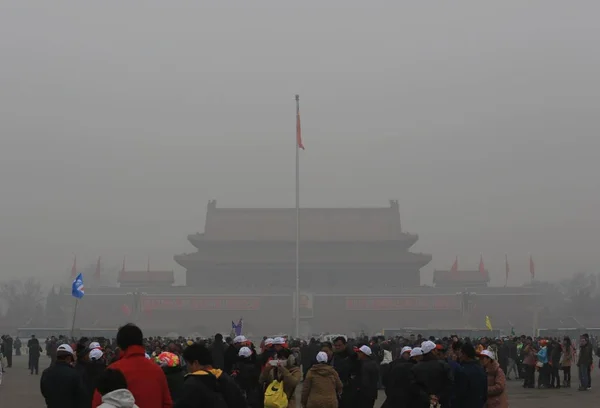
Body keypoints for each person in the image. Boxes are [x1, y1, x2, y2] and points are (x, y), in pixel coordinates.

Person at [92, 324, 172, 408]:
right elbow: (167, 403)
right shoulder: (157, 370)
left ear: (119, 345)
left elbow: (98, 403)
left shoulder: (112, 371)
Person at [176, 342, 247, 408]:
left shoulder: (191, 384)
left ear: (195, 363)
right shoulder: (226, 378)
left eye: (188, 364)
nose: (187, 367)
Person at [40, 344, 87, 408]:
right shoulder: (74, 373)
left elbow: (44, 391)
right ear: (69, 358)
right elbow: (80, 394)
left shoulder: (46, 372)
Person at [453, 342, 487, 408]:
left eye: (461, 353)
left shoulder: (462, 371)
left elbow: (459, 393)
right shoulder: (481, 369)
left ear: (465, 355)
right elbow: (485, 390)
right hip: (479, 403)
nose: (460, 355)